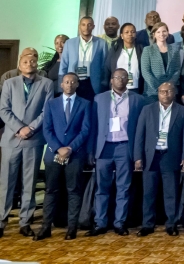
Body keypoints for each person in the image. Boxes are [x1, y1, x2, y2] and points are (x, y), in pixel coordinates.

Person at [0, 52, 54, 239]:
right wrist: (19, 128)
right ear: (19, 64)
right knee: (6, 183)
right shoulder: (9, 83)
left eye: (32, 61)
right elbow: (3, 110)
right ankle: (1, 221)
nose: (29, 63)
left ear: (36, 63)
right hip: (11, 139)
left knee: (29, 184)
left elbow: (47, 110)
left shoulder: (47, 84)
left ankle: (25, 222)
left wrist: (30, 128)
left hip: (34, 139)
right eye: (25, 61)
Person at [87, 68, 144, 236]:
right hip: (104, 147)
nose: (120, 79)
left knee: (123, 188)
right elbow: (93, 128)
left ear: (128, 80)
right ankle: (100, 223)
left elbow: (140, 130)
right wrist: (91, 151)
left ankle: (119, 223)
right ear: (111, 80)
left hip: (124, 147)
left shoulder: (138, 100)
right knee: (101, 188)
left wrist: (137, 153)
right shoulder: (99, 99)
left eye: (124, 77)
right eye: (117, 77)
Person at [35, 73, 91, 241]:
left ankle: (71, 228)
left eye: (73, 82)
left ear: (77, 84)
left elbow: (86, 129)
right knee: (51, 190)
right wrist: (59, 148)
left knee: (73, 191)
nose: (69, 84)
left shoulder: (86, 104)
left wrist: (71, 148)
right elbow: (47, 129)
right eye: (66, 82)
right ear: (61, 84)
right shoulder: (51, 104)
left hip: (75, 154)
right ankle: (46, 227)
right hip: (53, 153)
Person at [133, 82, 184, 237]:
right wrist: (137, 157)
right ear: (157, 93)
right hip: (150, 156)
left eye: (169, 91)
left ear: (175, 93)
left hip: (170, 156)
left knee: (171, 193)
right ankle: (147, 225)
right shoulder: (147, 110)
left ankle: (171, 224)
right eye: (162, 91)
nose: (165, 94)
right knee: (148, 193)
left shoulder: (183, 111)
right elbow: (139, 135)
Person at [60, 16, 108, 102]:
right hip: (73, 82)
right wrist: (61, 86)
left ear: (93, 26)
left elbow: (105, 66)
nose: (86, 27)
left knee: (91, 110)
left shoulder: (101, 43)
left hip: (92, 83)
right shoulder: (69, 43)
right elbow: (64, 65)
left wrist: (104, 84)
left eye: (89, 25)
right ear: (79, 26)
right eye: (83, 25)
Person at [140, 22, 183, 104]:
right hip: (152, 93)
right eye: (158, 32)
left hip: (170, 92)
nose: (161, 34)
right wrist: (159, 88)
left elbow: (177, 70)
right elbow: (145, 72)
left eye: (164, 31)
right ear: (154, 34)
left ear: (167, 33)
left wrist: (169, 86)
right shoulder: (147, 50)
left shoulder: (174, 50)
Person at [104, 23, 143, 95]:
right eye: (126, 32)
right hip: (118, 89)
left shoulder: (141, 49)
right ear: (121, 36)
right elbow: (107, 69)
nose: (130, 34)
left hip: (136, 88)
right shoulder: (114, 50)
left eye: (133, 32)